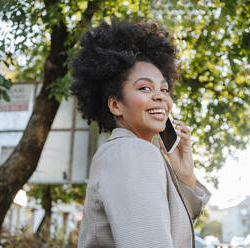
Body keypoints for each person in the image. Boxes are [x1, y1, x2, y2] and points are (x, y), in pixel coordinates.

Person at [70, 20, 211, 248]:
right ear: (116, 105)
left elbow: (174, 230)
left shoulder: (132, 152)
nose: (160, 97)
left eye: (163, 89)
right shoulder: (132, 151)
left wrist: (185, 176)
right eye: (144, 88)